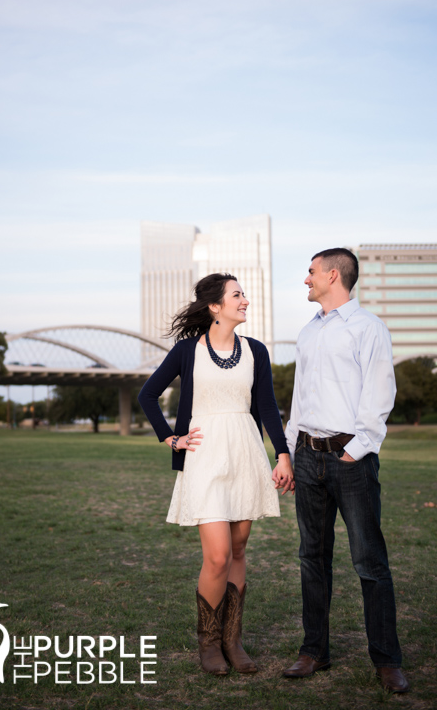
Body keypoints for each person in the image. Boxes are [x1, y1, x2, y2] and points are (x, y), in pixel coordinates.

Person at [139, 272, 294, 676]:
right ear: (215, 306)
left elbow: (266, 407)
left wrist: (282, 454)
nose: (245, 300)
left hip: (245, 453)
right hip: (205, 457)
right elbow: (148, 394)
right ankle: (208, 643)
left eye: (243, 294)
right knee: (218, 555)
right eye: (237, 295)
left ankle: (232, 639)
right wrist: (171, 439)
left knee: (239, 549)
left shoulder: (256, 351)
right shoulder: (187, 350)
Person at [273, 248, 409, 693]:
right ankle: (314, 652)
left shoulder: (369, 328)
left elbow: (379, 391)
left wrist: (359, 448)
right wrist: (291, 452)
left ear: (334, 275)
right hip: (308, 457)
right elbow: (300, 399)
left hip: (350, 459)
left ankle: (387, 661)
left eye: (311, 272)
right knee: (312, 558)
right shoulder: (308, 333)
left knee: (369, 561)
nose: (305, 280)